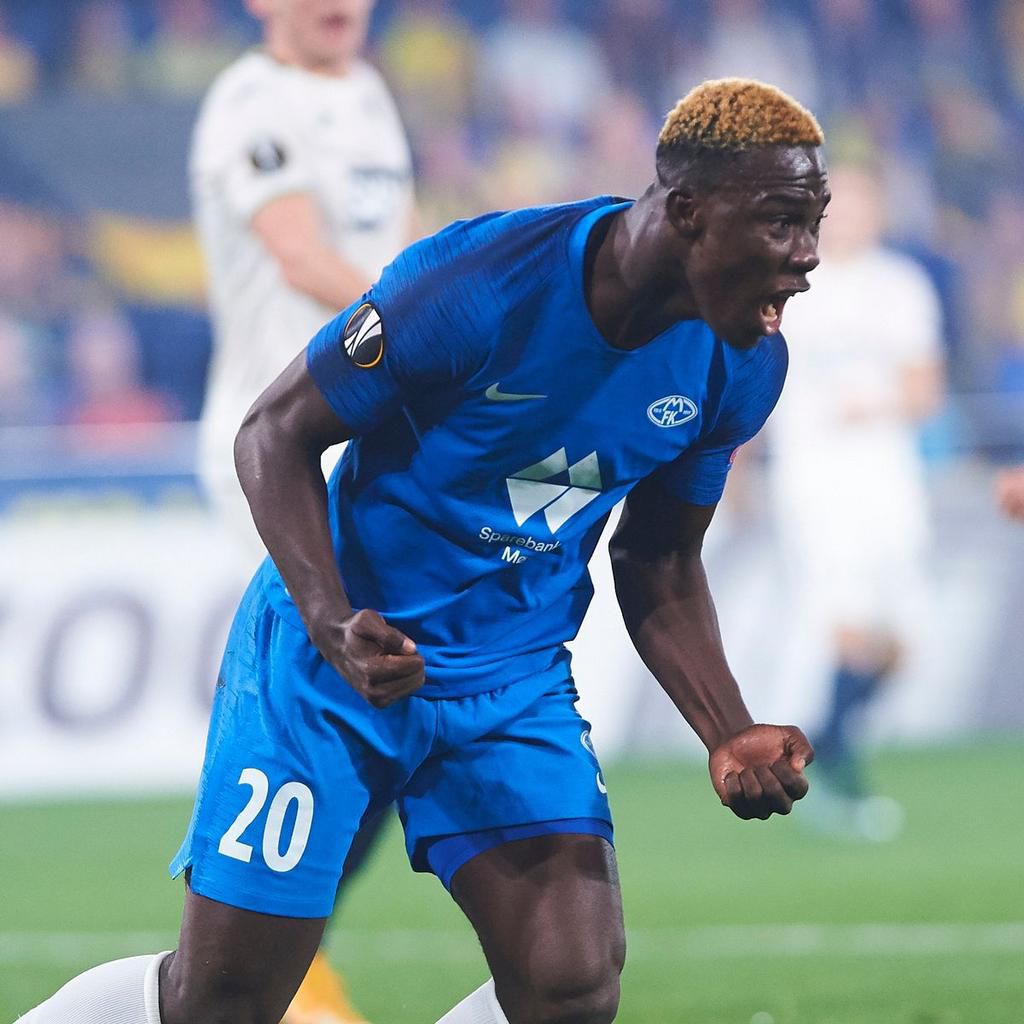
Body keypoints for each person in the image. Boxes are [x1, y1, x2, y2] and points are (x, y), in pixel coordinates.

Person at [22, 77, 825, 1024]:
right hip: (332, 666)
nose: (807, 256)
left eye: (813, 221)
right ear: (689, 212)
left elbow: (659, 559)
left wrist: (726, 728)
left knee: (571, 984)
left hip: (511, 682)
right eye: (781, 221)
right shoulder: (479, 282)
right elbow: (274, 433)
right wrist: (330, 621)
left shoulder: (744, 363)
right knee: (222, 1001)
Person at [190, 0, 416, 1020]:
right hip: (274, 444)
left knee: (383, 700)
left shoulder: (368, 94)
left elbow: (401, 250)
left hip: (365, 436)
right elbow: (299, 254)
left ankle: (288, 954)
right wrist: (436, 321)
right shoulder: (250, 102)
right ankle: (256, 967)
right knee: (324, 697)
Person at [767, 163, 944, 838]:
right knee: (842, 624)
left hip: (887, 477)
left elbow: (925, 390)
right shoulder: (785, 284)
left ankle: (828, 739)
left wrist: (874, 404)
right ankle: (841, 778)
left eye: (863, 204)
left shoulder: (901, 286)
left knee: (902, 642)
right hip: (815, 480)